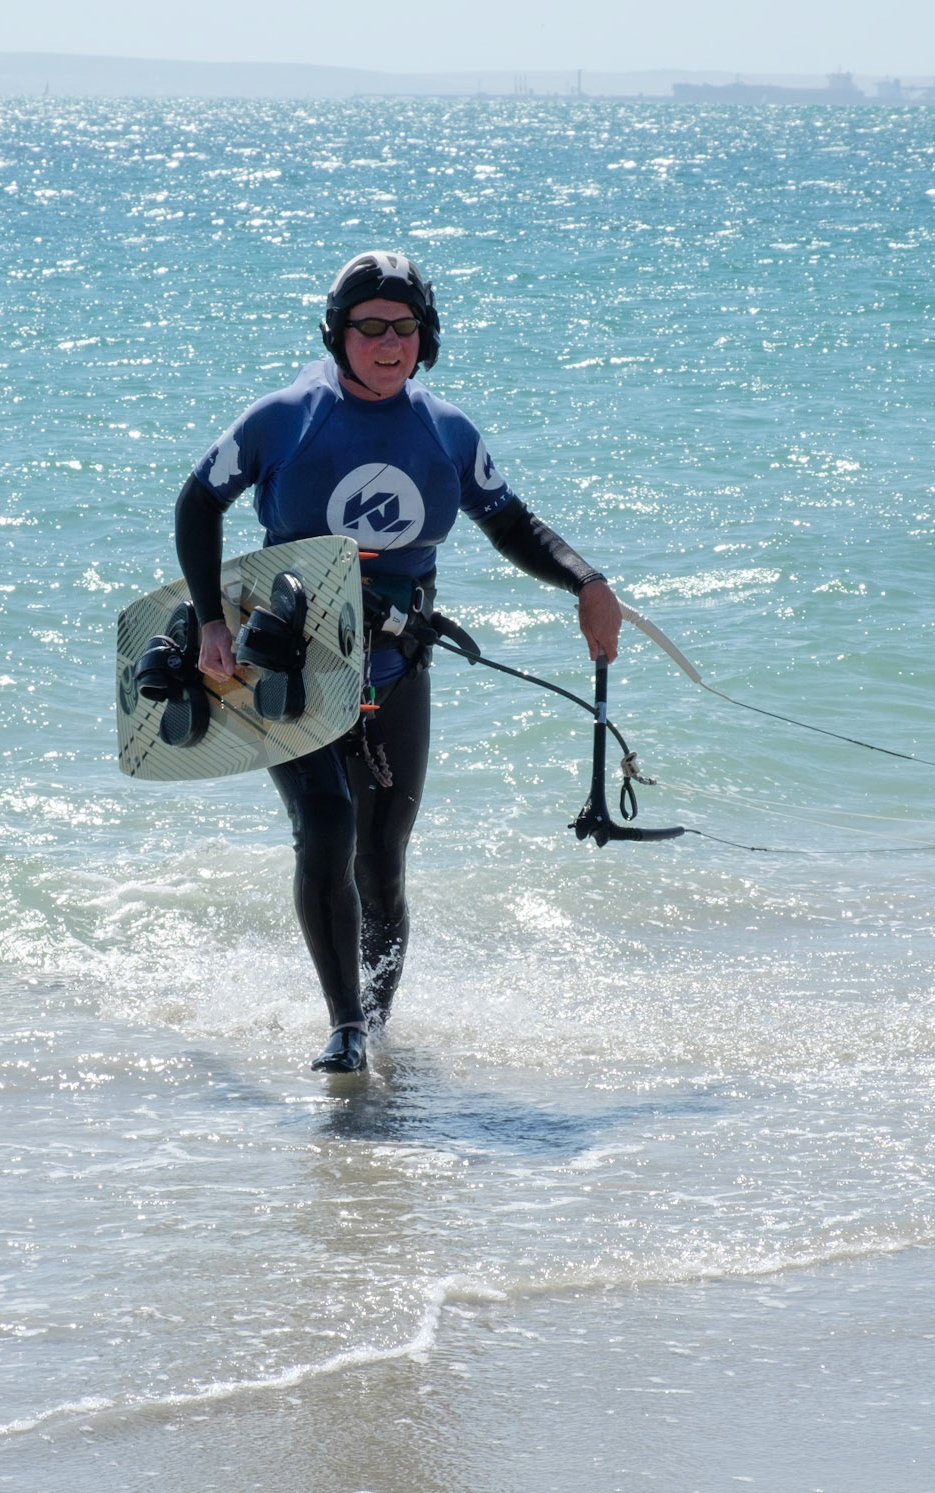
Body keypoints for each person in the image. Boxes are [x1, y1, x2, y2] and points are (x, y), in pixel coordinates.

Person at [174, 249, 621, 1074]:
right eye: (368, 327)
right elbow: (199, 500)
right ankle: (343, 1030)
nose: (387, 343)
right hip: (294, 663)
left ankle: (374, 1025)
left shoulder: (444, 430)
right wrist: (207, 621)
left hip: (394, 667)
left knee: (382, 861)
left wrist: (586, 583)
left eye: (403, 327)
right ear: (337, 335)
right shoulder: (286, 417)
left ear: (427, 337)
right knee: (327, 829)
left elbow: (511, 524)